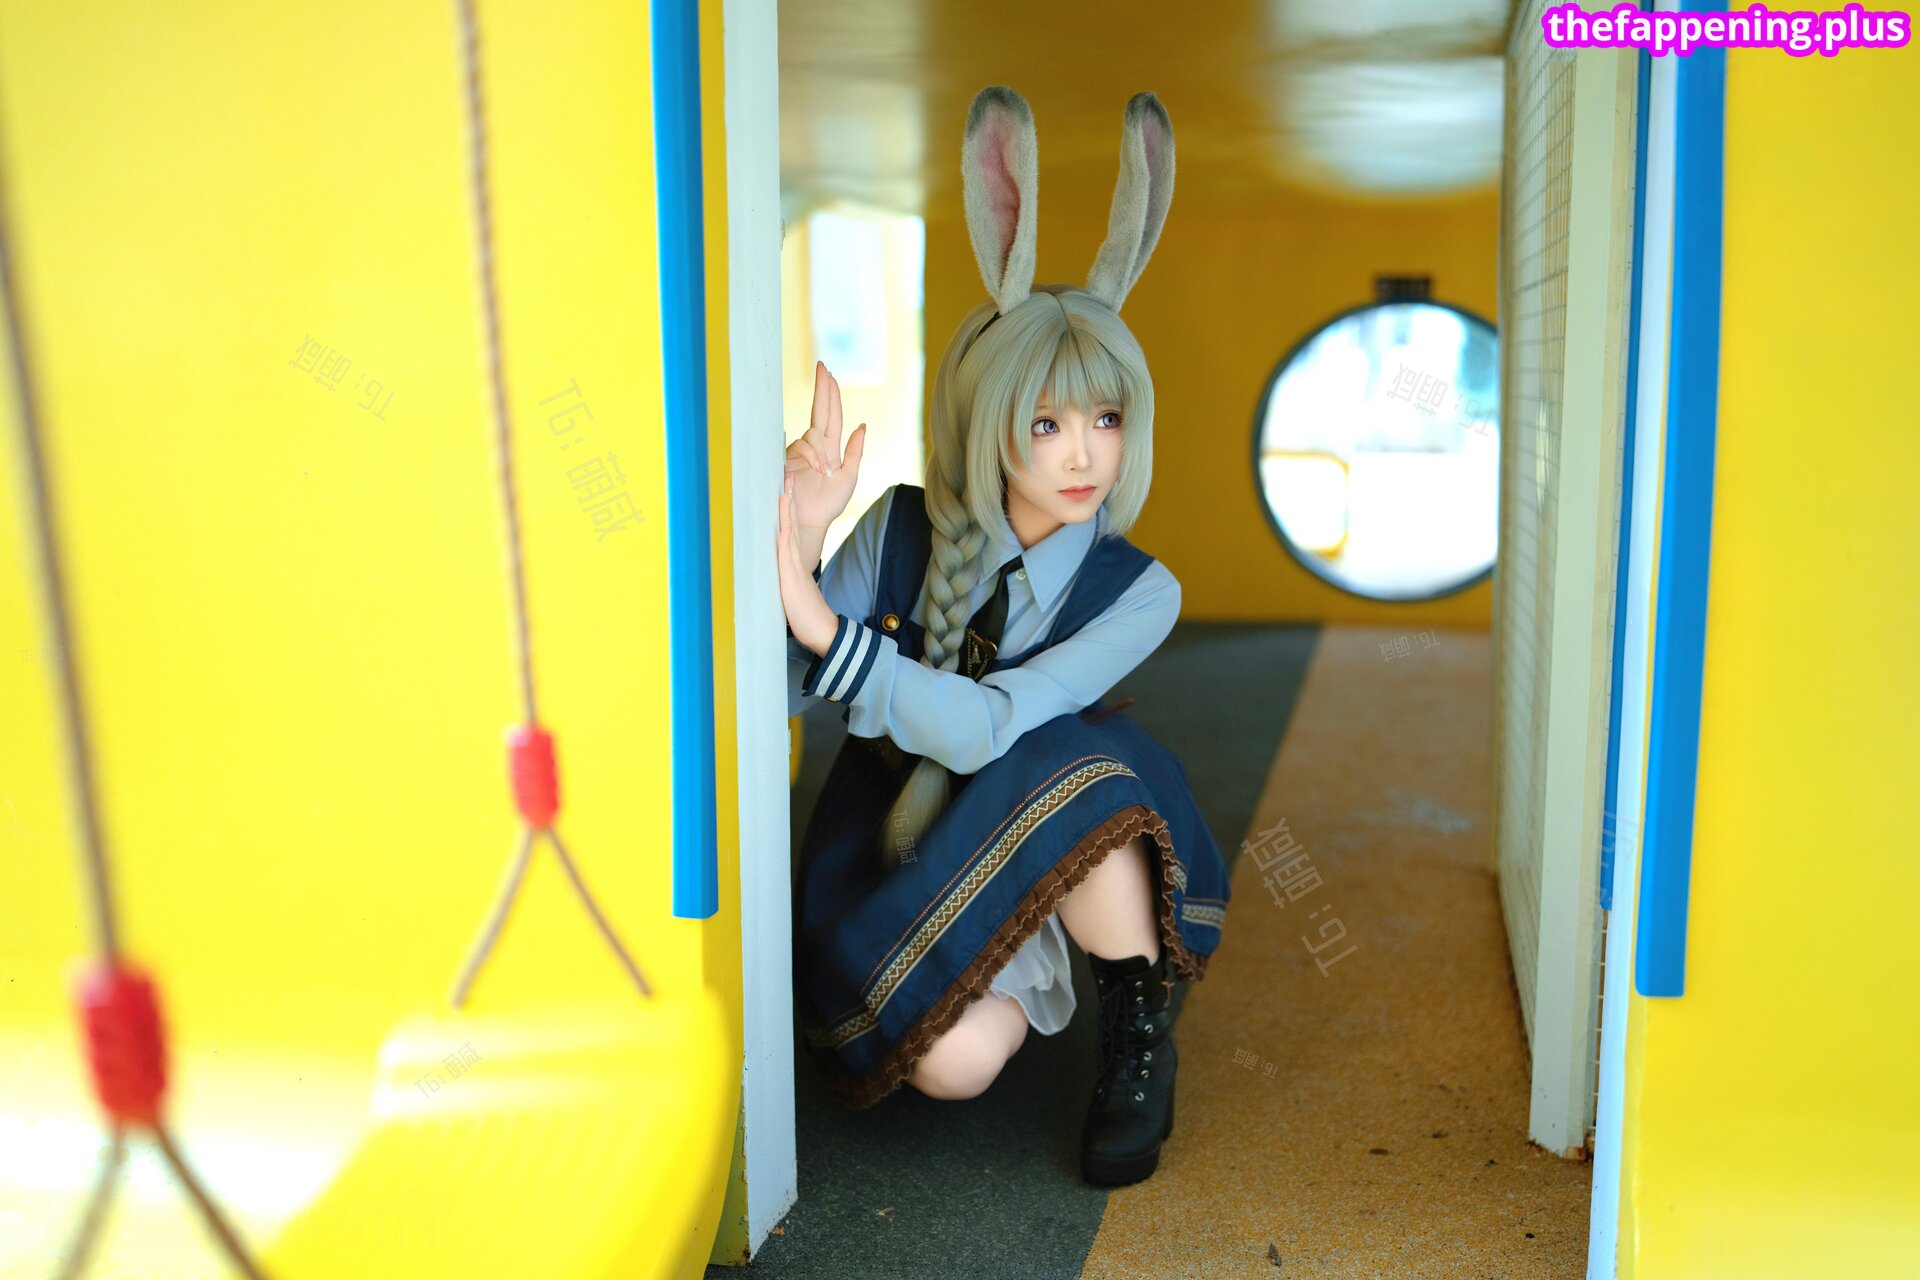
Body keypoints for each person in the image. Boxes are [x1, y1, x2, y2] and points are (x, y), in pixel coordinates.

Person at [773, 85, 1229, 1187]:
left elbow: (988, 726)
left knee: (1073, 763)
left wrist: (825, 623)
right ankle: (994, 957)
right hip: (903, 837)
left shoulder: (1140, 589)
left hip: (1053, 813)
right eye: (1047, 421)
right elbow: (778, 692)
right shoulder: (897, 529)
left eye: (1107, 419)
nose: (1085, 455)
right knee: (956, 1065)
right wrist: (807, 533)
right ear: (988, 418)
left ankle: (1136, 1021)